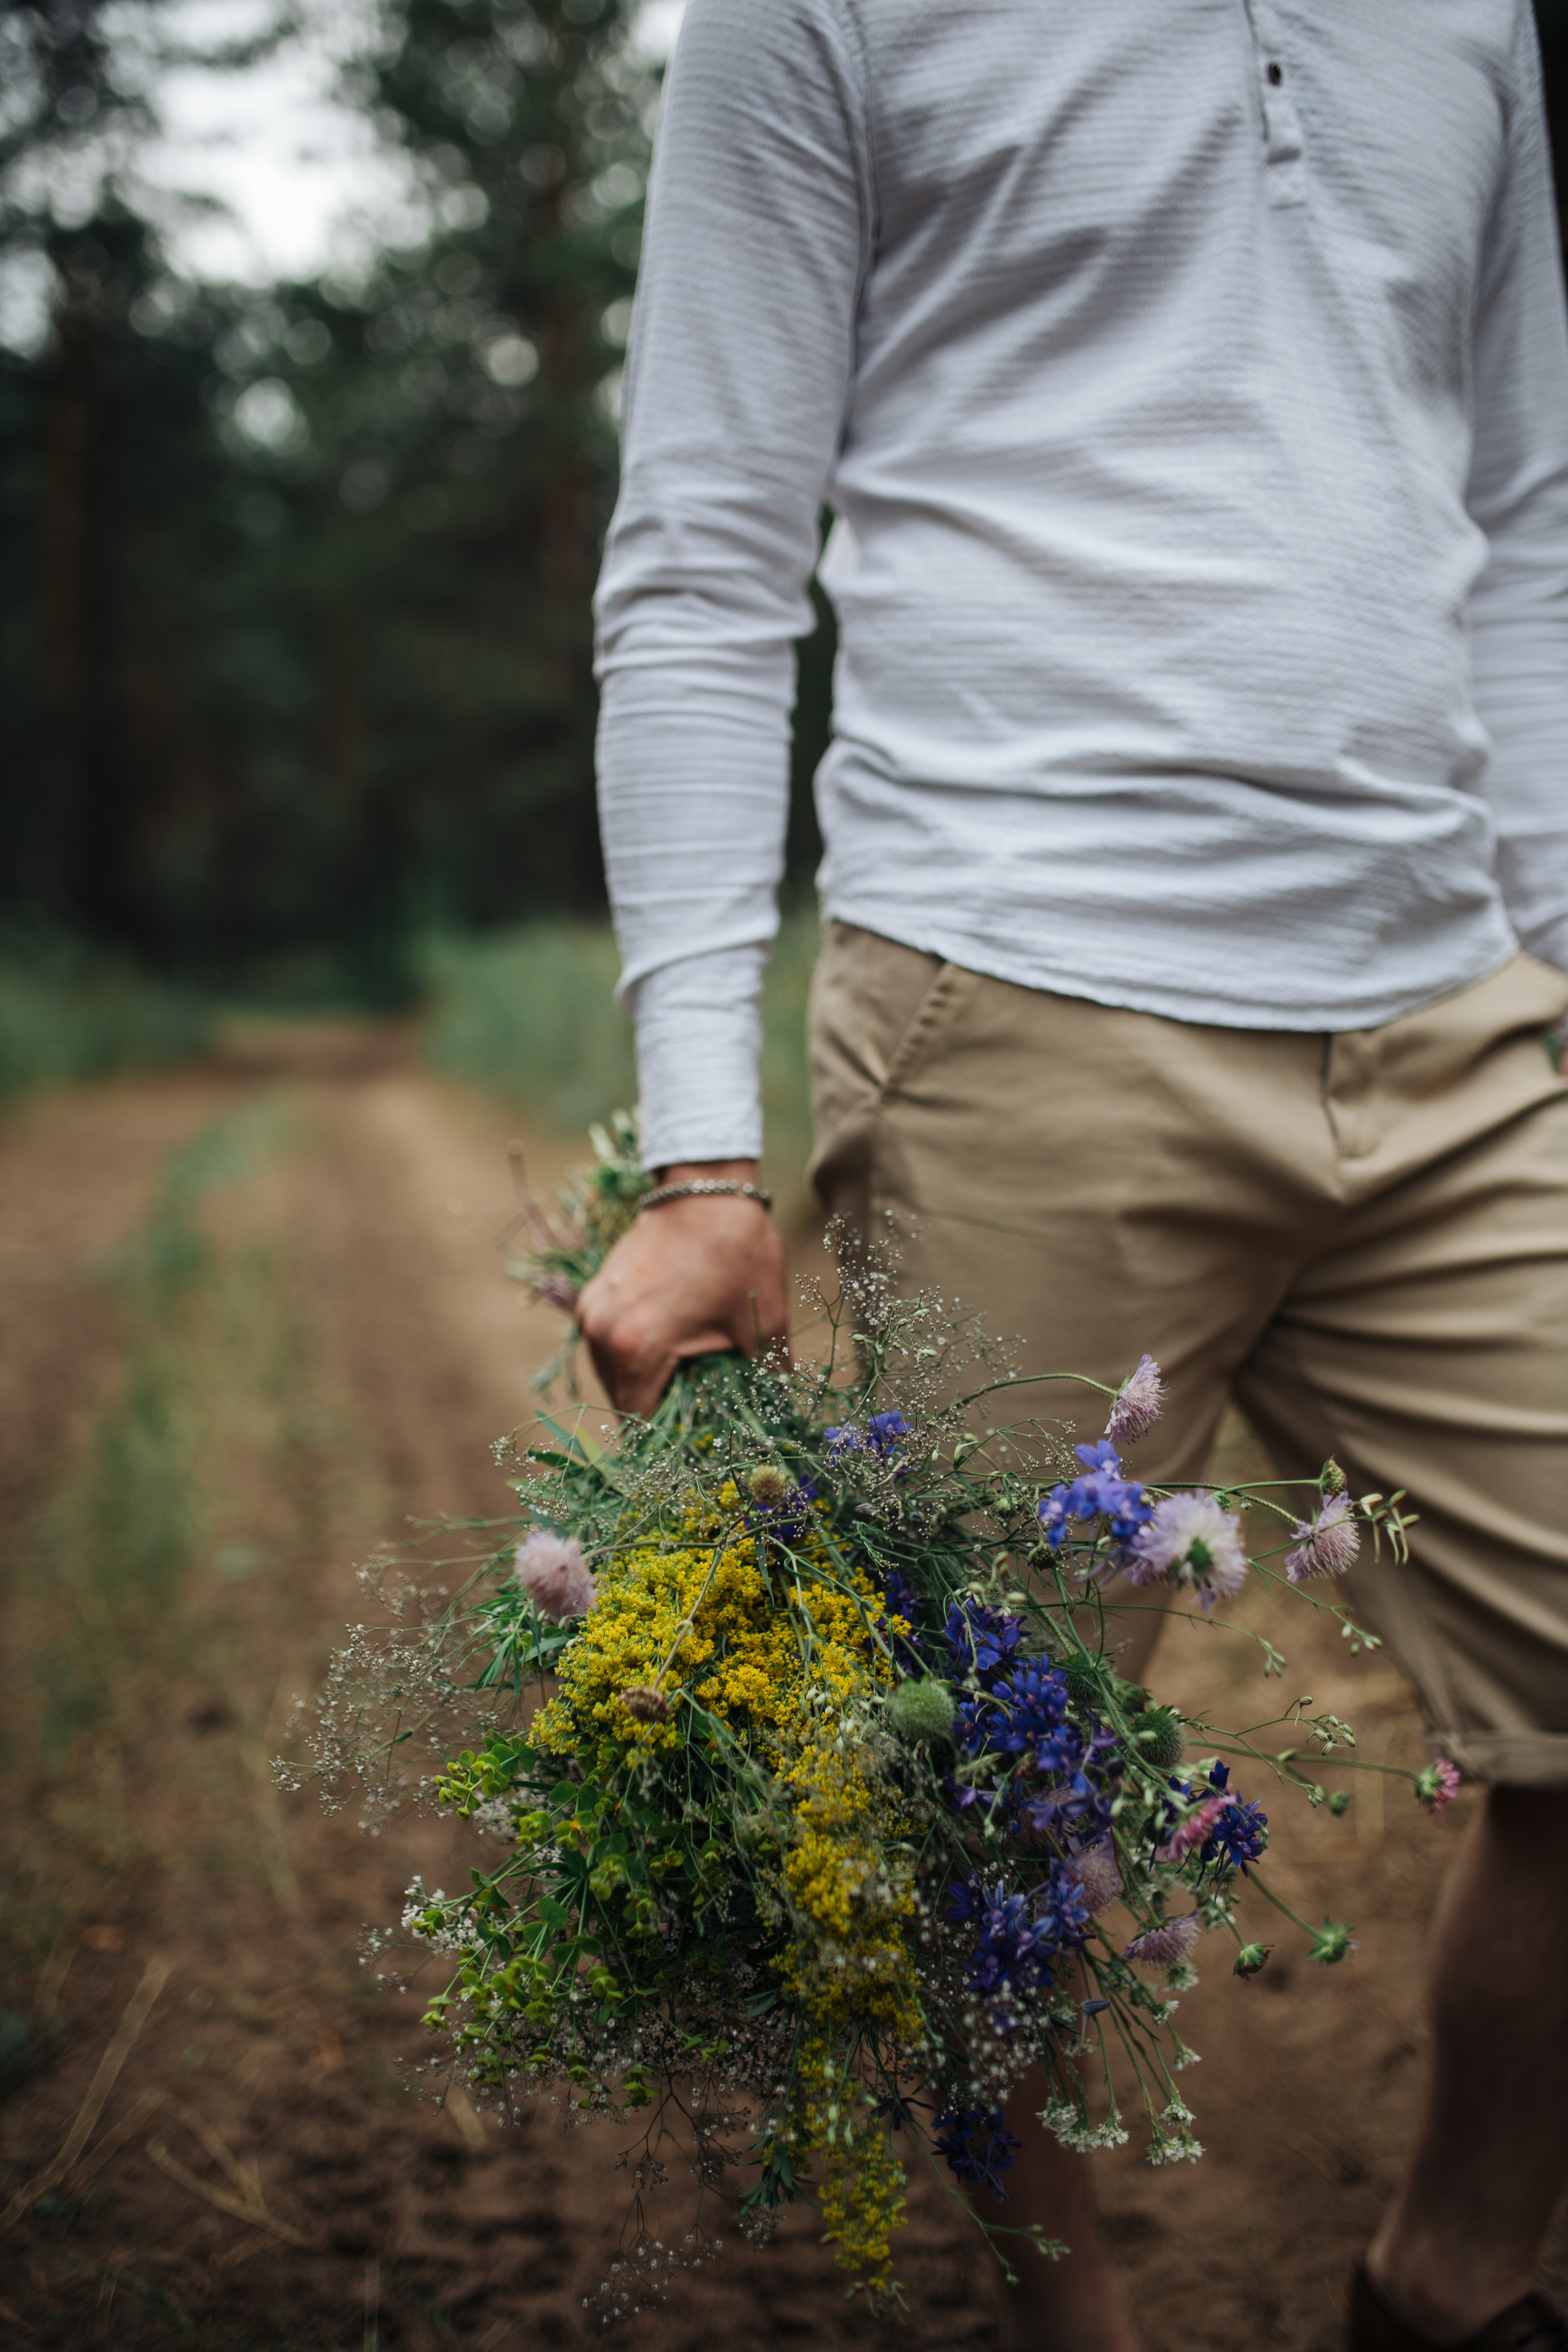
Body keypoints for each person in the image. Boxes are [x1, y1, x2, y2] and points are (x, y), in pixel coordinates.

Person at [577, 6, 1568, 2346]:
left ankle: (1449, 2287)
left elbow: (1524, 529)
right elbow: (709, 565)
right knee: (982, 1815)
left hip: (1456, 1019)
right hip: (1014, 1014)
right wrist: (700, 1144)